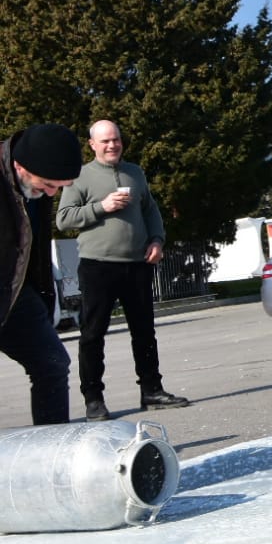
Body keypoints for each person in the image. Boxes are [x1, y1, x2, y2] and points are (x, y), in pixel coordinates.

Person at [55, 120, 188, 420]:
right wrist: (102, 206)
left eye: (116, 139)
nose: (112, 145)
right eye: (105, 141)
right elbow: (64, 219)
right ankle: (93, 399)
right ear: (92, 144)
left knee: (144, 332)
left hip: (137, 265)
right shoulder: (80, 176)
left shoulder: (135, 172)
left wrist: (157, 239)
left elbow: (150, 210)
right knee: (93, 336)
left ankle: (152, 390)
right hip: (98, 267)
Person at [2, 123, 79, 425]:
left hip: (15, 291)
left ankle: (51, 454)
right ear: (19, 166)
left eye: (60, 186)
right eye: (47, 184)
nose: (52, 193)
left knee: (52, 363)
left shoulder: (38, 180)